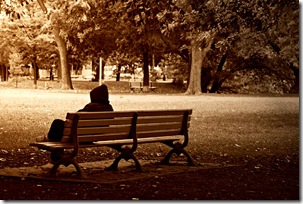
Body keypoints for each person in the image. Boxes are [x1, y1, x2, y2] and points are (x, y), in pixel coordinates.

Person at [36, 84, 114, 163]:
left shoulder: (91, 107)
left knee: (57, 123)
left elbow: (75, 117)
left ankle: (50, 141)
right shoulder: (109, 109)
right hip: (92, 138)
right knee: (62, 129)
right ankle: (55, 151)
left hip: (77, 137)